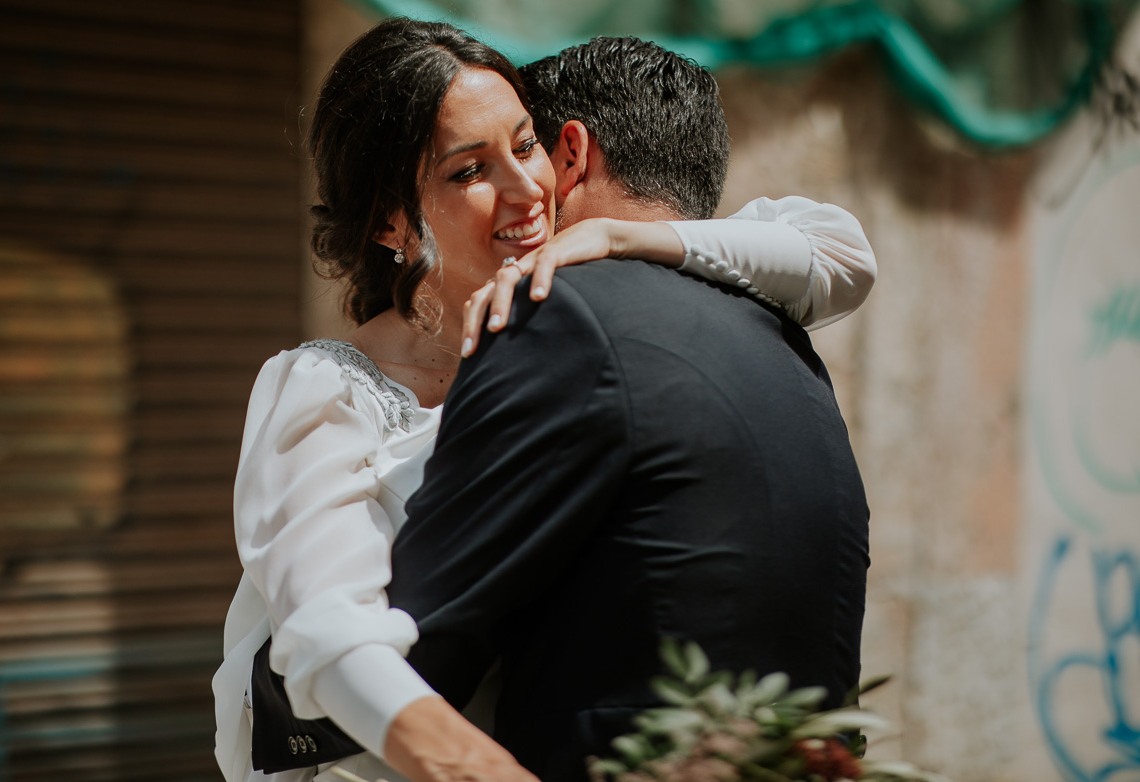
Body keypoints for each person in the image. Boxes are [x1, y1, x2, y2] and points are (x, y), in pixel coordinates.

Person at [216, 17, 875, 782]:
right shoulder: (324, 386)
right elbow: (324, 631)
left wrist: (622, 241)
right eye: (469, 171)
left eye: (524, 146)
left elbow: (835, 248)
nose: (528, 189)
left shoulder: (570, 335)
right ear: (390, 221)